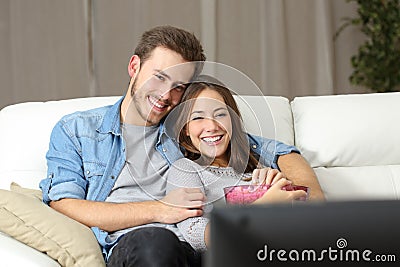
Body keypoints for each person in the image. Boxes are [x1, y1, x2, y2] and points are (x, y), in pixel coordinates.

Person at [39, 25, 323, 266]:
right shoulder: (78, 129)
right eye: (159, 77)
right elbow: (62, 204)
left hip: (199, 247)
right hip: (139, 246)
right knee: (156, 243)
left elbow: (279, 151)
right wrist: (159, 209)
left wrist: (315, 200)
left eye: (178, 87)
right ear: (134, 66)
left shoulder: (187, 128)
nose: (166, 94)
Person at [164, 76, 308, 251]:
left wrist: (283, 188)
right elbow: (197, 236)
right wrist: (262, 206)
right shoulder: (185, 169)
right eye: (198, 117)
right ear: (185, 128)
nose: (211, 126)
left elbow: (304, 224)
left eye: (220, 114)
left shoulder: (259, 166)